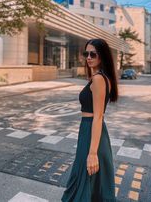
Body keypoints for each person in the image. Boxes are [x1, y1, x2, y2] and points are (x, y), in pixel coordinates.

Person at [61, 38, 118, 202]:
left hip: (92, 134)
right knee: (89, 183)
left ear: (103, 56)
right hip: (90, 132)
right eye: (86, 53)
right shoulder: (100, 77)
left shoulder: (100, 79)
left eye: (93, 54)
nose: (89, 57)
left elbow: (98, 116)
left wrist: (92, 153)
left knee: (84, 180)